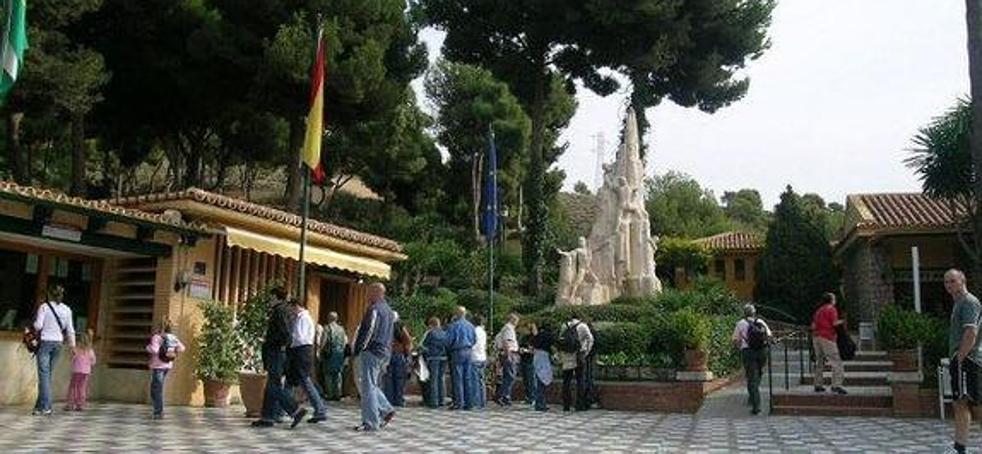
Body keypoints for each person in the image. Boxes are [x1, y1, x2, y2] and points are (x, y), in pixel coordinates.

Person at [252, 286, 307, 429]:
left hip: (276, 352)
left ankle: (295, 410)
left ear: (276, 297)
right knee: (271, 385)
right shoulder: (284, 310)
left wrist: (271, 341)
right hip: (277, 351)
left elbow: (285, 334)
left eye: (271, 297)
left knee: (273, 386)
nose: (269, 300)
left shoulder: (280, 310)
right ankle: (267, 417)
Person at [945, 269, 982, 454]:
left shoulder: (968, 302)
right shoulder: (958, 303)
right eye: (946, 282)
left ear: (963, 281)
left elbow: (971, 332)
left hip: (967, 360)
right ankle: (959, 447)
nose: (949, 285)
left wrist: (960, 357)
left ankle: (959, 448)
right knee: (961, 402)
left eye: (952, 281)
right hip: (963, 359)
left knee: (969, 403)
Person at [352, 283, 396, 432]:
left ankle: (371, 422)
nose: (367, 295)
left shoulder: (374, 309)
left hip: (372, 351)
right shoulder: (389, 311)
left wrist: (359, 348)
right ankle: (386, 408)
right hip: (383, 352)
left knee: (367, 386)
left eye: (369, 292)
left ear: (376, 292)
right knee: (371, 384)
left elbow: (368, 330)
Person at [32, 284, 75, 416]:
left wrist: (33, 324)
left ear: (50, 294)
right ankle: (39, 407)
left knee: (44, 375)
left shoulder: (44, 307)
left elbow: (38, 326)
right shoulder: (67, 309)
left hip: (45, 342)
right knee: (47, 375)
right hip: (58, 343)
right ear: (61, 296)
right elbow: (70, 330)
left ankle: (46, 407)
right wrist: (73, 346)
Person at [286, 298, 328, 424]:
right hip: (300, 351)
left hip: (301, 351)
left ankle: (320, 410)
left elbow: (300, 337)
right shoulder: (301, 318)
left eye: (291, 308)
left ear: (297, 306)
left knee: (304, 381)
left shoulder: (303, 318)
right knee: (291, 381)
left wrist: (289, 339)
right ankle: (284, 409)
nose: (291, 311)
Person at [731, 304, 772, 415]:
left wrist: (739, 347)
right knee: (758, 373)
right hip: (762, 351)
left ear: (744, 313)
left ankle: (756, 405)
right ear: (754, 313)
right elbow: (769, 335)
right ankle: (754, 395)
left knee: (751, 377)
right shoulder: (761, 322)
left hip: (748, 352)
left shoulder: (740, 323)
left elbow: (735, 340)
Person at [146, 320, 185, 420]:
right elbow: (182, 348)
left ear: (159, 327)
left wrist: (148, 347)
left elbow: (154, 350)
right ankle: (157, 409)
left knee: (157, 390)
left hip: (158, 366)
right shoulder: (173, 337)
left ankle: (158, 412)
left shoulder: (157, 337)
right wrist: (173, 350)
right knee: (155, 388)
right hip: (167, 365)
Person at [811, 292, 846, 395]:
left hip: (816, 337)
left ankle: (818, 384)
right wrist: (842, 322)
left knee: (820, 361)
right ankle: (836, 385)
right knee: (836, 361)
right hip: (827, 337)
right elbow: (834, 323)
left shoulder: (819, 310)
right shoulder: (831, 309)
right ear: (831, 300)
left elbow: (813, 325)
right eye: (834, 298)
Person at [559, 312, 594, 412]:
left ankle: (566, 405)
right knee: (580, 381)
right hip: (579, 356)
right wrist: (586, 351)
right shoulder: (583, 326)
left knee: (566, 381)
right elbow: (590, 339)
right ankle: (579, 404)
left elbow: (561, 341)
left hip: (567, 357)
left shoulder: (564, 325)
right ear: (579, 318)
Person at [445, 306, 476, 410]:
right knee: (467, 377)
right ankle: (469, 403)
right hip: (468, 351)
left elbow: (448, 341)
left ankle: (459, 402)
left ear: (456, 314)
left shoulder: (453, 326)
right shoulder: (471, 326)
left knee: (458, 377)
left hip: (457, 351)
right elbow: (474, 339)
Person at [383, 313, 413, 407]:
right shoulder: (400, 327)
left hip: (387, 354)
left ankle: (389, 400)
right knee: (399, 378)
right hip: (399, 354)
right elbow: (408, 341)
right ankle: (399, 400)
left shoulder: (384, 326)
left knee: (388, 378)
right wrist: (408, 353)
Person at [317, 312, 348, 401]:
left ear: (329, 318)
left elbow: (324, 341)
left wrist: (320, 351)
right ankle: (338, 394)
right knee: (338, 374)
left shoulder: (327, 328)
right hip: (339, 353)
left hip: (329, 353)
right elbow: (344, 342)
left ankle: (330, 394)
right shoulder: (341, 329)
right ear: (336, 318)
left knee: (328, 374)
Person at [64, 330, 96, 411]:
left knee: (73, 387)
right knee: (82, 388)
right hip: (86, 373)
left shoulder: (76, 350)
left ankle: (70, 404)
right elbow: (93, 362)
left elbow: (71, 359)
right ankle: (80, 405)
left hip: (76, 371)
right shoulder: (90, 351)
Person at [421, 317, 448, 408]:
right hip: (443, 358)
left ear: (431, 325)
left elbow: (422, 345)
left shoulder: (430, 333)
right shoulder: (445, 333)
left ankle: (434, 402)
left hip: (433, 358)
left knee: (433, 380)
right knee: (441, 379)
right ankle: (442, 400)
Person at [493, 313, 519, 406]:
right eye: (516, 320)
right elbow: (507, 341)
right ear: (513, 320)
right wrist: (508, 355)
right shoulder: (508, 328)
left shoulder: (507, 328)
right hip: (509, 353)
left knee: (508, 375)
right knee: (510, 375)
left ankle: (502, 395)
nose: (517, 322)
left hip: (508, 353)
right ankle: (502, 395)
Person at [530, 322, 554, 411]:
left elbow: (532, 344)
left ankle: (538, 402)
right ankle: (541, 403)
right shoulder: (549, 336)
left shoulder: (537, 335)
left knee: (539, 379)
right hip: (544, 357)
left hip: (536, 357)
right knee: (543, 380)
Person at [471, 315, 488, 408]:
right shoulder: (483, 332)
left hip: (475, 357)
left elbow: (472, 344)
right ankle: (482, 401)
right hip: (482, 357)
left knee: (475, 381)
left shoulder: (474, 331)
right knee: (481, 380)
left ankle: (476, 402)